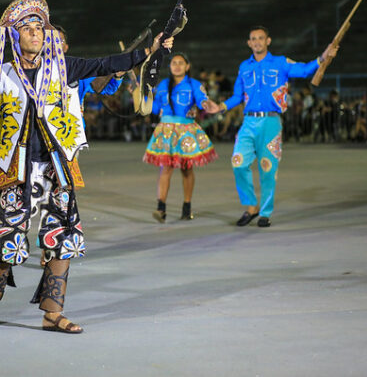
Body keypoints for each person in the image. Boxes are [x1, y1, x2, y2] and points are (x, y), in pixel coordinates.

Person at [0, 0, 173, 333]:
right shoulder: (2, 72)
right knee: (7, 241)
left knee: (63, 239)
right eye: (27, 29)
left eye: (39, 27)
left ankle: (52, 313)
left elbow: (106, 64)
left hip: (57, 165)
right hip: (16, 168)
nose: (36, 33)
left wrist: (149, 51)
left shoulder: (63, 66)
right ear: (14, 36)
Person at [207, 26, 338, 227]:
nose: (257, 41)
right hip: (249, 122)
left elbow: (304, 70)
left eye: (261, 38)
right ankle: (251, 206)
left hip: (271, 122)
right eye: (253, 39)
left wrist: (323, 57)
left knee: (268, 169)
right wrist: (221, 107)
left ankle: (265, 212)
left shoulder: (280, 63)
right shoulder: (244, 67)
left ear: (268, 41)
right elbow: (237, 96)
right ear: (249, 43)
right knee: (238, 163)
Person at [143, 53, 217, 222]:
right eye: (174, 63)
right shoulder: (163, 85)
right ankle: (160, 208)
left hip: (186, 130)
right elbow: (155, 108)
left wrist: (206, 104)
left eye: (180, 63)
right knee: (166, 168)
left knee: (186, 169)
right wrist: (142, 96)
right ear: (170, 66)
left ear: (187, 66)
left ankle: (187, 206)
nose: (177, 66)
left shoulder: (194, 84)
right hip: (166, 130)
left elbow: (201, 100)